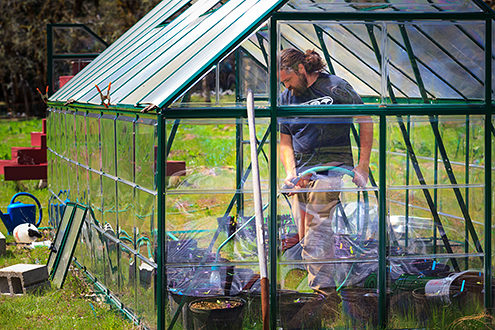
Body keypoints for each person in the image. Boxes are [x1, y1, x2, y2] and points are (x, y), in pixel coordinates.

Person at [279, 48, 373, 296]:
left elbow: (366, 119)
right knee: (304, 235)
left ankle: (323, 295)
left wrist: (362, 166)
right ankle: (318, 282)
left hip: (330, 171)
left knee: (316, 232)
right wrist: (291, 173)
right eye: (282, 82)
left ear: (301, 69)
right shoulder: (286, 97)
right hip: (301, 176)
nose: (287, 86)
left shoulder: (334, 87)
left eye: (288, 80)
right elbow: (285, 140)